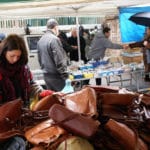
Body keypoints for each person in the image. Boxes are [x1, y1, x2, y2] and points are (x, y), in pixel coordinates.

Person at [0, 34, 46, 149]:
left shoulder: (23, 68)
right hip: (3, 120)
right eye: (12, 56)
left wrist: (41, 91)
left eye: (18, 56)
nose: (15, 59)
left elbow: (31, 84)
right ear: (4, 52)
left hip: (22, 116)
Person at [37, 19, 68, 91]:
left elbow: (39, 59)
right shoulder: (54, 39)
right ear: (55, 27)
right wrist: (65, 75)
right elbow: (59, 59)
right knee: (61, 100)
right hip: (56, 77)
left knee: (52, 99)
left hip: (46, 76)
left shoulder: (41, 40)